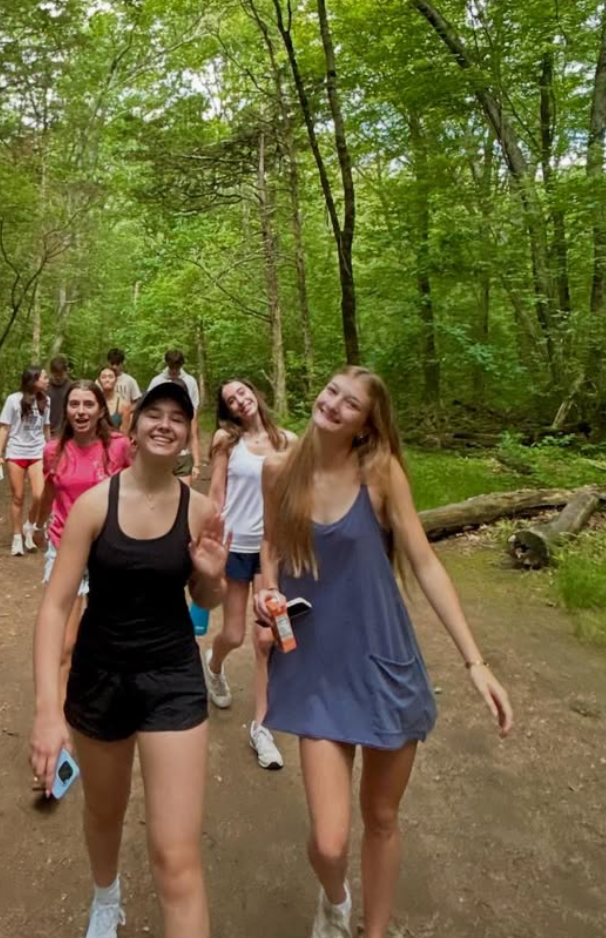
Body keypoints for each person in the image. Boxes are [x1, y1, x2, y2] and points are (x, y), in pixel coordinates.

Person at [254, 366, 514, 938]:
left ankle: (374, 930)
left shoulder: (380, 473)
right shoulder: (278, 471)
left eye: (350, 403)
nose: (333, 404)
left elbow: (424, 563)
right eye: (331, 391)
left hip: (382, 662)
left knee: (381, 816)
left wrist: (475, 662)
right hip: (316, 667)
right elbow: (270, 546)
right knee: (328, 842)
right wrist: (266, 591)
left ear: (366, 425)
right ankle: (336, 899)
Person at [32, 381, 229, 938]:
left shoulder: (201, 510)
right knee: (104, 812)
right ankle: (106, 894)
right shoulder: (95, 506)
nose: (165, 424)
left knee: (177, 855)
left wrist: (211, 578)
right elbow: (55, 608)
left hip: (173, 680)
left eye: (178, 418)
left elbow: (206, 599)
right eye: (154, 414)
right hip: (100, 677)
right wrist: (47, 711)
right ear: (134, 427)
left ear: (188, 435)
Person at [203, 377, 294, 771]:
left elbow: (301, 492)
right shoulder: (226, 441)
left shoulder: (288, 441)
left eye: (242, 392)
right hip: (236, 546)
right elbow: (216, 493)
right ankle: (213, 663)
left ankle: (262, 728)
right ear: (228, 410)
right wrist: (209, 538)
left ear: (255, 393)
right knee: (234, 634)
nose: (240, 401)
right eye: (231, 400)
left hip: (273, 550)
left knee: (266, 640)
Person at [37, 379, 131, 693]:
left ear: (101, 410)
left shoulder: (118, 446)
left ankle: (105, 694)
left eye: (88, 404)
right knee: (66, 643)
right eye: (74, 404)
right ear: (65, 409)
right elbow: (49, 493)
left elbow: (138, 486)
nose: (81, 411)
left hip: (109, 549)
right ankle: (60, 714)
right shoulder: (53, 450)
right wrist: (36, 526)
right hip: (65, 548)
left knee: (111, 632)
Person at [0, 365, 50, 555]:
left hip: (37, 452)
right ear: (34, 380)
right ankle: (17, 537)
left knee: (39, 495)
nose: (47, 380)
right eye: (44, 377)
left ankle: (29, 526)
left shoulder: (46, 401)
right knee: (18, 496)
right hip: (16, 452)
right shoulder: (13, 400)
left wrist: (51, 450)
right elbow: (5, 428)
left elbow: (46, 428)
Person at [147, 349, 201, 478]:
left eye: (177, 367)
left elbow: (194, 416)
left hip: (182, 446)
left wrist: (196, 462)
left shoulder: (190, 381)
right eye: (172, 367)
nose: (174, 370)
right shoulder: (157, 381)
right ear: (167, 364)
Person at [97, 364, 134, 431]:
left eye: (111, 377)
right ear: (99, 380)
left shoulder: (124, 405)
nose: (107, 380)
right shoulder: (95, 402)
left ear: (116, 380)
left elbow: (125, 433)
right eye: (103, 377)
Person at [47, 355, 73, 434]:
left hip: (67, 431)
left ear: (66, 371)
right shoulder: (45, 387)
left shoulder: (72, 387)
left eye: (60, 374)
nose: (58, 377)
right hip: (48, 430)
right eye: (55, 375)